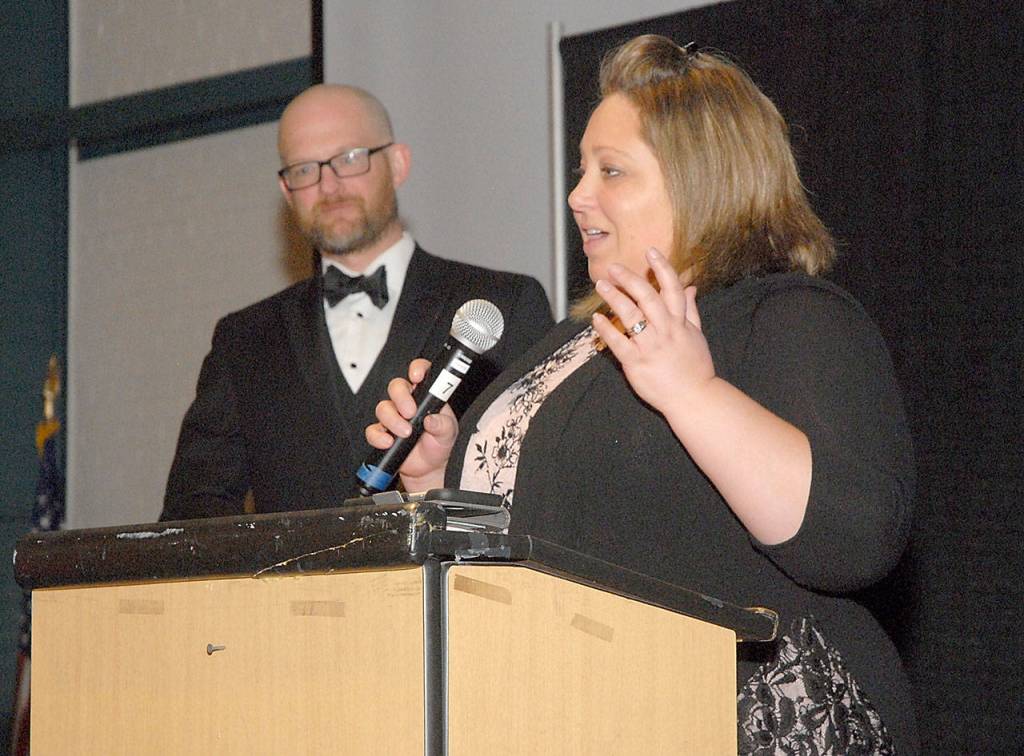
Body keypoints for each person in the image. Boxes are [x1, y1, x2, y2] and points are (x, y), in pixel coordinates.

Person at [369, 36, 917, 754]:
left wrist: (693, 394)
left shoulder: (785, 316)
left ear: (702, 179)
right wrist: (438, 480)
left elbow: (853, 536)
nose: (577, 195)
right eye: (581, 170)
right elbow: (543, 542)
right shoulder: (569, 346)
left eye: (612, 171)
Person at [160, 84, 553, 520]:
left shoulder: (503, 304)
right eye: (305, 169)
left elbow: (543, 490)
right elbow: (191, 514)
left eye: (350, 158)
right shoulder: (243, 339)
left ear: (398, 163)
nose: (329, 185)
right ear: (287, 192)